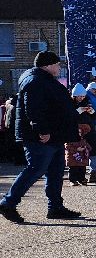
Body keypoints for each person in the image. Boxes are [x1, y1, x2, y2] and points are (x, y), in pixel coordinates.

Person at [0, 51, 83, 224]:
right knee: (35, 169)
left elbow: (54, 104)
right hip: (42, 137)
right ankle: (8, 203)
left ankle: (55, 207)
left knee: (55, 171)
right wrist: (42, 131)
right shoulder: (36, 81)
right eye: (57, 64)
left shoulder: (43, 80)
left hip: (55, 135)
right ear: (47, 65)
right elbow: (34, 109)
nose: (59, 67)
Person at [67, 85, 96, 186]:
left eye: (82, 96)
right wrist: (79, 110)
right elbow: (69, 116)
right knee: (73, 156)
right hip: (74, 132)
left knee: (84, 156)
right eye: (79, 96)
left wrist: (91, 111)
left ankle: (82, 177)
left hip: (85, 133)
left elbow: (94, 116)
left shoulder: (87, 102)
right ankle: (73, 178)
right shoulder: (70, 104)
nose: (81, 98)